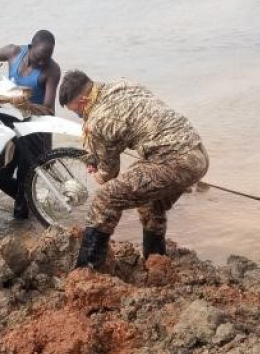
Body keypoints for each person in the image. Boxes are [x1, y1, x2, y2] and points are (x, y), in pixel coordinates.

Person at [58, 70, 209, 269]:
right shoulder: (122, 85)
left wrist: (98, 174)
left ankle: (86, 271)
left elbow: (109, 173)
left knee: (104, 199)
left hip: (174, 161)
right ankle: (156, 263)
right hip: (197, 154)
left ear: (84, 101)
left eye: (76, 111)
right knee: (150, 204)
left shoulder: (98, 119)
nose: (79, 116)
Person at [0, 30, 61, 219]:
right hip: (11, 127)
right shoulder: (14, 52)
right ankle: (29, 201)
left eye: (47, 58)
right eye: (39, 57)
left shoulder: (52, 70)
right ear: (30, 47)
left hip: (34, 132)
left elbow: (48, 109)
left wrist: (24, 103)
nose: (42, 62)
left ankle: (23, 218)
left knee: (26, 178)